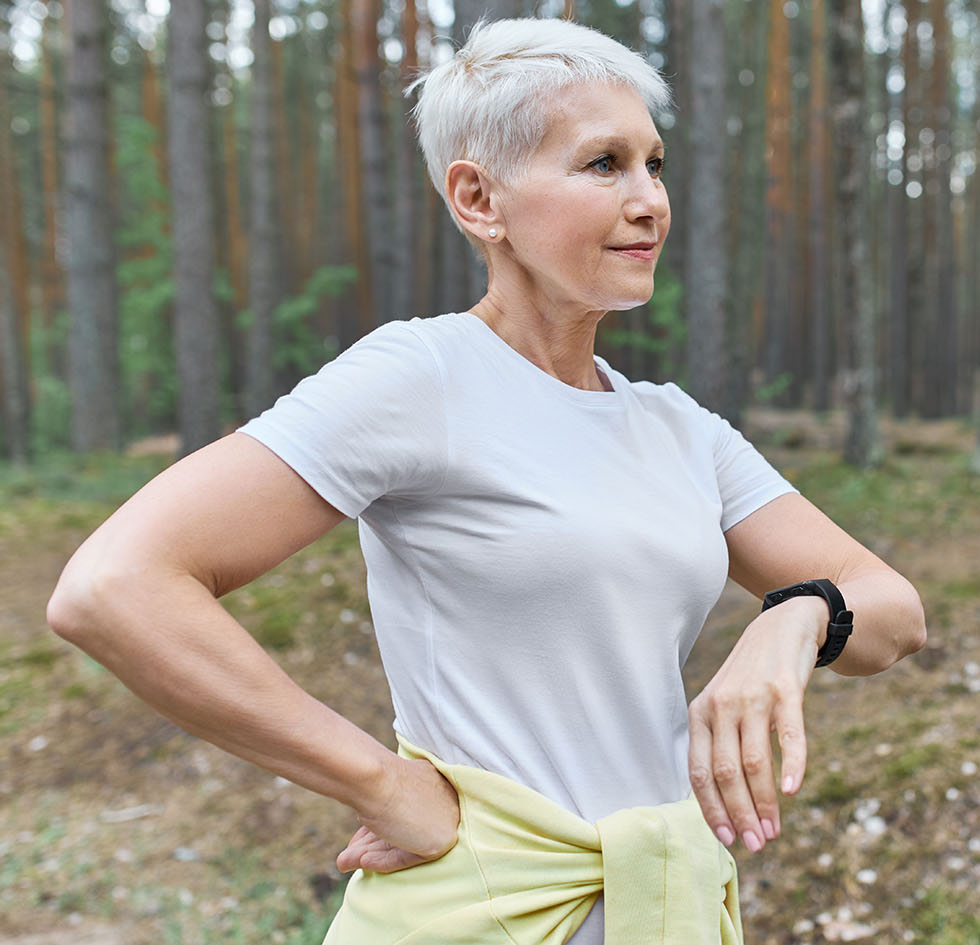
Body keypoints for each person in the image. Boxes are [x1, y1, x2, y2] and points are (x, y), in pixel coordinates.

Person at [46, 17, 926, 945]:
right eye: (602, 164)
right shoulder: (421, 376)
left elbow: (892, 610)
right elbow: (115, 587)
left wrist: (791, 620)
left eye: (653, 164)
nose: (649, 201)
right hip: (479, 909)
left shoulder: (677, 427)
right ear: (478, 198)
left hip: (660, 906)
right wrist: (379, 784)